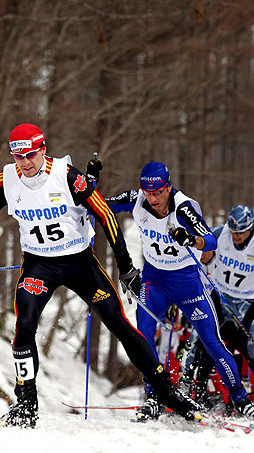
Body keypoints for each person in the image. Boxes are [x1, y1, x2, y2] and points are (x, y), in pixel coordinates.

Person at [0, 124, 200, 428]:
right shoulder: (5, 181)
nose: (25, 162)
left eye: (30, 154)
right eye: (18, 156)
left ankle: (169, 394)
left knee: (118, 323)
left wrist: (125, 267)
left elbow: (106, 215)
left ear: (43, 149)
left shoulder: (67, 176)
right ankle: (26, 404)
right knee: (24, 324)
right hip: (38, 266)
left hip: (79, 263)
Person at [87, 159, 254, 420]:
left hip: (188, 284)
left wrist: (191, 239)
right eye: (148, 192)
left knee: (212, 342)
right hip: (154, 281)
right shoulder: (137, 199)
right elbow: (100, 206)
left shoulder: (183, 208)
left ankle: (240, 398)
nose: (153, 199)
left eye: (158, 192)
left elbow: (209, 239)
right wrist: (90, 183)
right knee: (142, 335)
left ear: (168, 187)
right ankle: (153, 397)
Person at [179, 205, 254, 407]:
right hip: (220, 297)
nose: (236, 236)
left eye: (241, 233)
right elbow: (198, 256)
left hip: (248, 303)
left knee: (251, 346)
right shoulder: (220, 234)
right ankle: (189, 388)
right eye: (233, 232)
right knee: (202, 339)